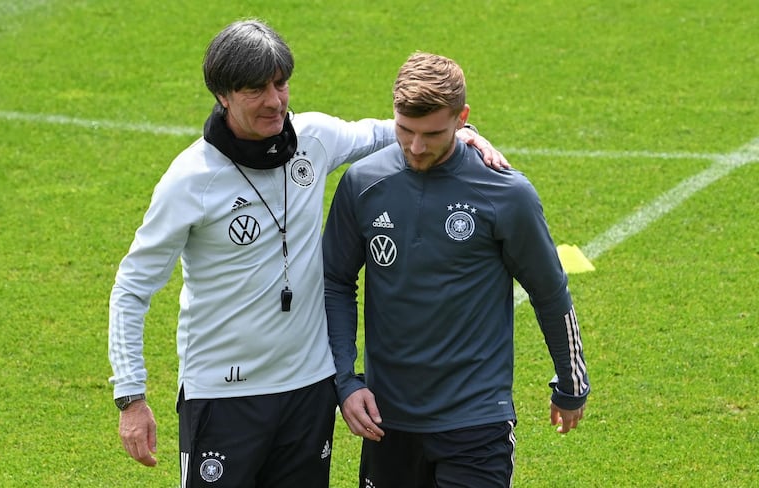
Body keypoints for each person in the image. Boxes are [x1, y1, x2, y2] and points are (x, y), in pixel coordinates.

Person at [108, 20, 508, 488]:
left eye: (280, 84)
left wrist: (466, 132)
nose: (276, 101)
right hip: (222, 394)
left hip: (308, 391)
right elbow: (132, 286)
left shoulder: (313, 139)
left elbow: (395, 131)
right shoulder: (190, 179)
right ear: (223, 95)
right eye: (256, 89)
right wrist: (131, 397)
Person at [323, 51, 590, 488]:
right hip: (388, 420)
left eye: (432, 134)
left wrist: (571, 381)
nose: (415, 147)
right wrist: (345, 381)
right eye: (404, 130)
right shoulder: (363, 184)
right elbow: (334, 280)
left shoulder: (505, 193)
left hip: (476, 420)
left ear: (462, 118)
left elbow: (549, 290)